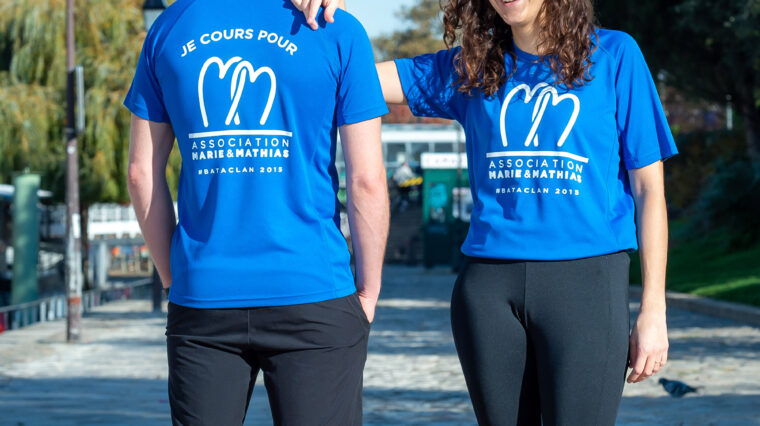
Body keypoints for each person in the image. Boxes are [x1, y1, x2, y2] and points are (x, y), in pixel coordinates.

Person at [293, 0, 675, 424]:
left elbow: (649, 191)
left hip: (587, 286)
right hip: (489, 291)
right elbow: (350, 73)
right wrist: (316, 18)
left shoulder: (615, 55)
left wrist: (653, 310)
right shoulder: (473, 67)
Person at [124, 0, 389, 424]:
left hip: (204, 294)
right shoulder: (334, 28)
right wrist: (369, 291)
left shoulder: (169, 27)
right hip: (312, 287)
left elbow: (141, 174)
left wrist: (177, 280)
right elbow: (367, 180)